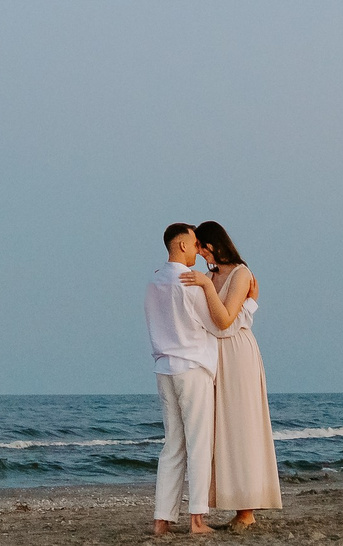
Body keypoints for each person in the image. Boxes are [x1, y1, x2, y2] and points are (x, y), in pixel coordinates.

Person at [185, 220, 281, 528]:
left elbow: (225, 320)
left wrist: (203, 285)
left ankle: (247, 511)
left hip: (236, 352)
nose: (198, 252)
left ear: (211, 245)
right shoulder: (211, 275)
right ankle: (232, 504)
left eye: (200, 246)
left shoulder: (241, 274)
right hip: (213, 353)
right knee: (220, 429)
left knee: (241, 425)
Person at [145, 222, 220, 535]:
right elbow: (216, 322)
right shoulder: (190, 282)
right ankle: (197, 519)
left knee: (173, 444)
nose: (197, 249)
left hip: (164, 368)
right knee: (198, 443)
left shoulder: (154, 281)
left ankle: (162, 519)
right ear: (182, 245)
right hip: (191, 366)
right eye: (194, 243)